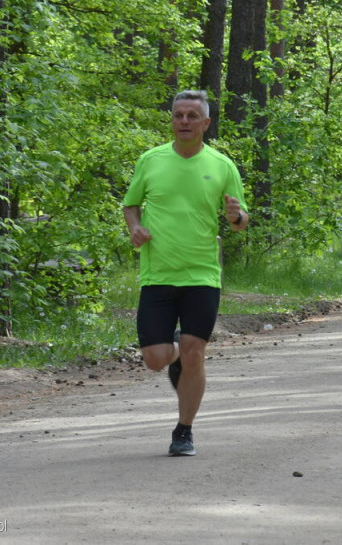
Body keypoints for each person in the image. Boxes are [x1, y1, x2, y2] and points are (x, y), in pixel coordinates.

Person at [122, 89, 250, 457]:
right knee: (155, 360)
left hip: (202, 275)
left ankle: (184, 431)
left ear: (206, 123)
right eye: (179, 115)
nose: (184, 122)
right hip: (158, 274)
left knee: (196, 353)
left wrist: (236, 218)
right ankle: (173, 353)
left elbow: (241, 218)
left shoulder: (223, 165)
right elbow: (131, 205)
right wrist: (135, 227)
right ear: (172, 120)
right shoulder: (151, 160)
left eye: (193, 116)